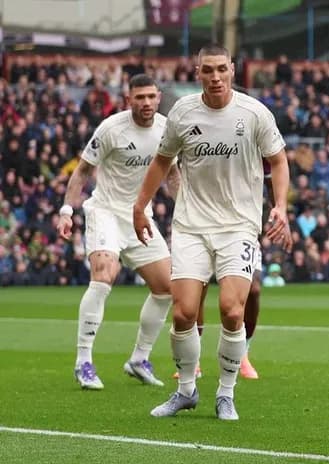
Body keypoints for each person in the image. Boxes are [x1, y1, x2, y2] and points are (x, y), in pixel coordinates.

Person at [134, 44, 291, 420]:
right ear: (197, 72)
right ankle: (186, 390)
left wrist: (281, 205)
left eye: (221, 69)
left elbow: (279, 160)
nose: (215, 76)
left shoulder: (254, 113)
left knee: (231, 311)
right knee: (185, 313)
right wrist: (139, 206)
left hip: (239, 226)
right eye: (208, 70)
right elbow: (161, 161)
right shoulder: (183, 113)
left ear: (233, 69)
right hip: (191, 226)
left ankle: (225, 393)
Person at [58, 74, 177, 390]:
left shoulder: (167, 128)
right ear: (129, 99)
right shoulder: (111, 128)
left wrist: (187, 214)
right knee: (104, 274)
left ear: (158, 97)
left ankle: (139, 359)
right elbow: (82, 171)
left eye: (152, 97)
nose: (147, 103)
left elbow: (173, 175)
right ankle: (84, 361)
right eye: (140, 97)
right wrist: (67, 211)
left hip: (141, 216)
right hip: (106, 212)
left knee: (167, 287)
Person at [176, 157, 280, 381]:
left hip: (240, 227)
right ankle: (194, 361)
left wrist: (280, 212)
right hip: (200, 225)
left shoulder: (253, 137)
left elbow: (272, 177)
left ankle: (243, 351)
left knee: (253, 290)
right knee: (196, 292)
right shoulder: (205, 134)